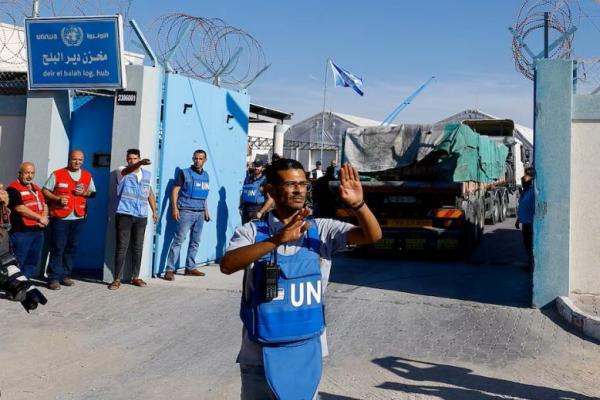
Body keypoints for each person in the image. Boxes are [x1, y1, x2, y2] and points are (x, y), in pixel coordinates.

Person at [220, 159, 382, 400]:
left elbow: (372, 235)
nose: (299, 190)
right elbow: (228, 265)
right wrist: (277, 240)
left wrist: (359, 205)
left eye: (303, 184)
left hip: (306, 352)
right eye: (290, 184)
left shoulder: (322, 230)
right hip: (259, 355)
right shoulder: (252, 232)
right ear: (270, 190)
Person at [43, 150, 96, 290]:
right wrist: (57, 198)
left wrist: (84, 193)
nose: (77, 162)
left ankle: (65, 275)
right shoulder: (57, 174)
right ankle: (53, 278)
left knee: (71, 247)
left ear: (83, 161)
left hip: (78, 217)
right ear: (69, 159)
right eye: (74, 159)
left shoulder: (87, 175)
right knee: (57, 247)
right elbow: (45, 191)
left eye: (80, 160)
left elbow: (92, 192)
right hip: (60, 217)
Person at [108, 149, 158, 289]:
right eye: (130, 158)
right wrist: (141, 163)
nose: (132, 161)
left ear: (139, 158)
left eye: (135, 158)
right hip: (124, 214)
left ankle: (135, 277)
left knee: (138, 247)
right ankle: (116, 279)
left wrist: (154, 211)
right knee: (122, 246)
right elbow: (128, 170)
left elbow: (149, 193)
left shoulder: (146, 175)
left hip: (141, 215)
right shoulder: (122, 171)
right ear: (126, 160)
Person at [164, 150, 211, 281]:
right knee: (178, 240)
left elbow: (204, 194)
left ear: (204, 160)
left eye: (200, 158)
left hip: (200, 212)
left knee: (195, 242)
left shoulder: (206, 175)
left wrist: (206, 211)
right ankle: (170, 270)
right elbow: (175, 190)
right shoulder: (184, 173)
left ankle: (190, 268)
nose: (197, 161)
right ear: (192, 158)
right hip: (186, 211)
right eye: (195, 158)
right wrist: (174, 208)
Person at [0, 184, 48, 312]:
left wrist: (26, 288)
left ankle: (23, 289)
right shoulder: (14, 188)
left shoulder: (4, 205)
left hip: (6, 242)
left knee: (9, 266)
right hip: (19, 233)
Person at [6, 163, 49, 279]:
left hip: (38, 231)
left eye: (32, 173)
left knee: (32, 261)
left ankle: (25, 284)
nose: (29, 176)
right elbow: (20, 209)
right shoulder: (13, 189)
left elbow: (44, 204)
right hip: (21, 233)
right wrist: (40, 218)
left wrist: (44, 218)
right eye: (26, 173)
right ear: (20, 173)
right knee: (18, 262)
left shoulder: (36, 188)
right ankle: (15, 286)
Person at [240, 160, 274, 224]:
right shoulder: (247, 179)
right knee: (244, 233)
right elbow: (243, 194)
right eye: (255, 165)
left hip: (256, 211)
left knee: (256, 233)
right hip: (245, 211)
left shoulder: (264, 181)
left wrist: (261, 212)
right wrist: (240, 207)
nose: (256, 168)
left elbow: (271, 199)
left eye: (258, 166)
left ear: (262, 168)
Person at [515, 167, 535, 272]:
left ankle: (532, 265)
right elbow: (522, 205)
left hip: (531, 223)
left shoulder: (533, 191)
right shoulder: (525, 191)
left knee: (530, 245)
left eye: (527, 175)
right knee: (526, 244)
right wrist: (518, 219)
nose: (524, 177)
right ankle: (529, 264)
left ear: (532, 177)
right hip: (525, 222)